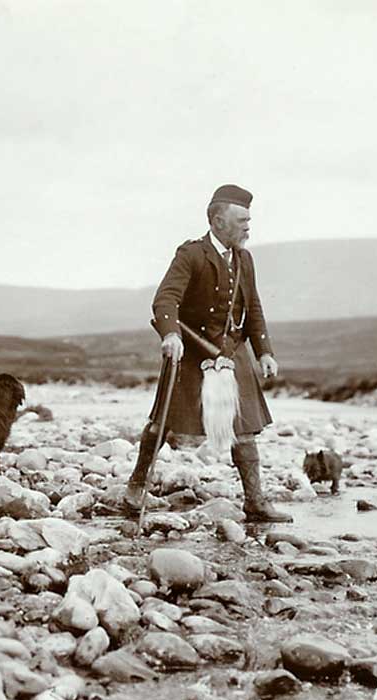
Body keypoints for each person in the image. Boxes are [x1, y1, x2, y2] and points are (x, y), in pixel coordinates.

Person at [125, 184, 293, 523]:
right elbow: (165, 300)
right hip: (190, 352)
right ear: (218, 221)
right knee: (164, 424)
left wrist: (264, 352)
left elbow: (254, 307)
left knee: (244, 428)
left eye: (249, 220)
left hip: (232, 351)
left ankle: (255, 502)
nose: (248, 227)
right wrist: (171, 334)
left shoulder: (245, 258)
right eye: (242, 220)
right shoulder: (190, 255)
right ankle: (135, 487)